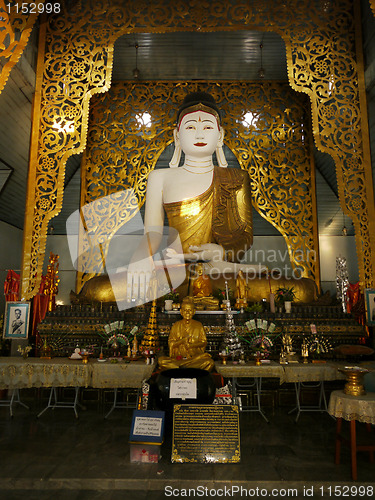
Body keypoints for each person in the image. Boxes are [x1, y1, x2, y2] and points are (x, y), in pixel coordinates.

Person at [127, 91, 265, 300]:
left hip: (217, 268)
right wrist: (140, 258)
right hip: (173, 269)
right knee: (103, 288)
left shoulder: (237, 177)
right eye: (190, 127)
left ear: (220, 136)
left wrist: (220, 252)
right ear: (177, 136)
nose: (199, 135)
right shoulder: (159, 177)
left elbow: (244, 238)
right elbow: (152, 235)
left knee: (268, 280)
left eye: (208, 127)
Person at [158, 297, 214, 371]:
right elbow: (171, 343)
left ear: (194, 312)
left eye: (190, 310)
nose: (187, 312)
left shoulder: (198, 325)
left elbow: (204, 342)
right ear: (181, 312)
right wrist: (182, 341)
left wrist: (191, 345)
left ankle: (181, 368)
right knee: (161, 360)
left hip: (194, 358)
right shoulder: (176, 325)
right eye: (185, 310)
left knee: (209, 362)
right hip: (178, 359)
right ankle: (188, 368)